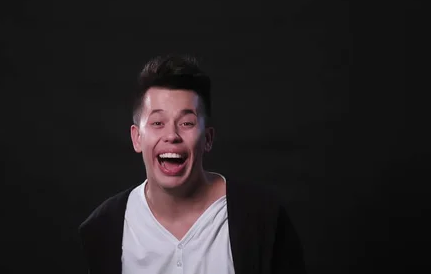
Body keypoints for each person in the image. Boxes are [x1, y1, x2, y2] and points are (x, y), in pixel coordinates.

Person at [78, 54, 306, 274]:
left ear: (207, 138)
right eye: (157, 122)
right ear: (137, 137)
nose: (172, 135)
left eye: (187, 123)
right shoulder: (103, 228)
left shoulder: (263, 218)